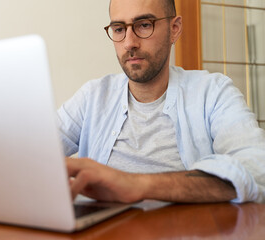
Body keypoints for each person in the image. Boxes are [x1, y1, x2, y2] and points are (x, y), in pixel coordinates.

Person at [57, 0, 265, 203]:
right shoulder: (93, 96)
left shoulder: (213, 93)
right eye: (119, 29)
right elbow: (34, 151)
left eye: (144, 25)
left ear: (174, 29)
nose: (129, 43)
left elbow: (257, 168)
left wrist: (136, 185)